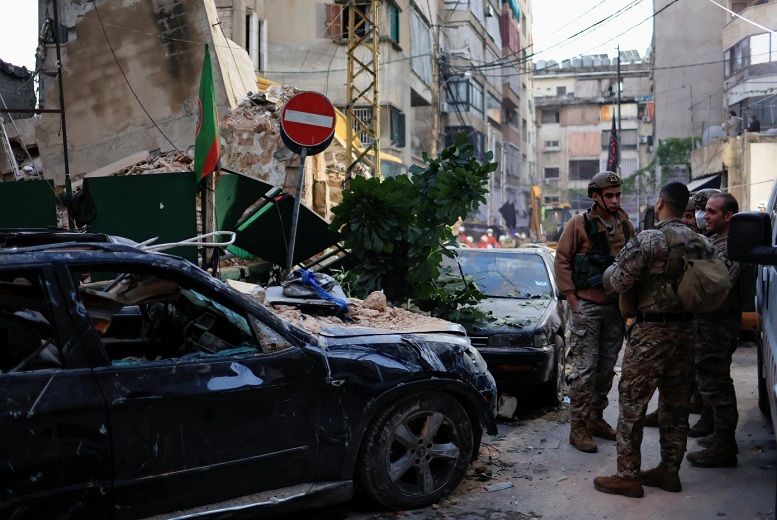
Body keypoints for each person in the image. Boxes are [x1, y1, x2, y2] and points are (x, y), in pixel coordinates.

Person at [593, 182, 713, 498]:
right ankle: (669, 471)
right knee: (675, 406)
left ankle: (628, 476)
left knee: (632, 403)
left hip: (650, 334)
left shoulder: (648, 240)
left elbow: (618, 282)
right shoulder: (701, 243)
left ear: (660, 203)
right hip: (687, 333)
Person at [555, 171, 635, 453]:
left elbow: (633, 263)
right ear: (595, 196)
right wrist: (573, 300)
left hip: (614, 309)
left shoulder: (625, 225)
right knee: (584, 371)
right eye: (609, 195)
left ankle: (595, 418)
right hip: (587, 306)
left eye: (617, 195)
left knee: (605, 370)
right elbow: (562, 259)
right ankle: (577, 427)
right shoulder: (578, 224)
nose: (614, 200)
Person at [686, 193, 756, 467]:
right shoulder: (718, 243)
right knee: (710, 381)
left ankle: (725, 445)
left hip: (718, 324)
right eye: (705, 211)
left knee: (717, 384)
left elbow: (716, 288)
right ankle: (720, 436)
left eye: (712, 212)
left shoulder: (731, 248)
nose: (706, 216)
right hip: (710, 323)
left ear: (729, 216)